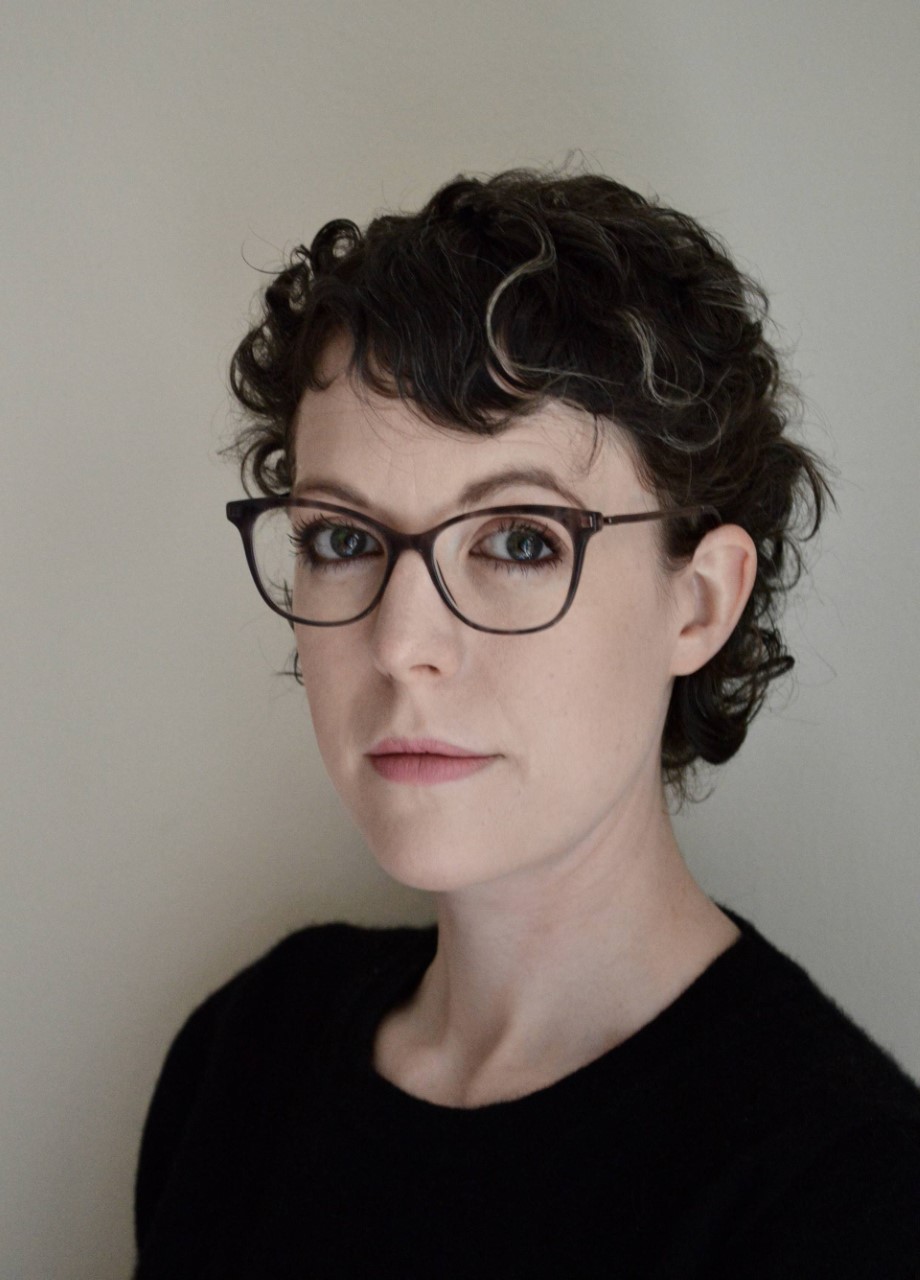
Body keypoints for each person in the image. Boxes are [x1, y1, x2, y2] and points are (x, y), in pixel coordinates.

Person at [133, 168, 920, 1277]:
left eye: (518, 541)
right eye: (343, 538)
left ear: (698, 602)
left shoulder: (846, 1198)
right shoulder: (245, 1054)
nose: (401, 641)